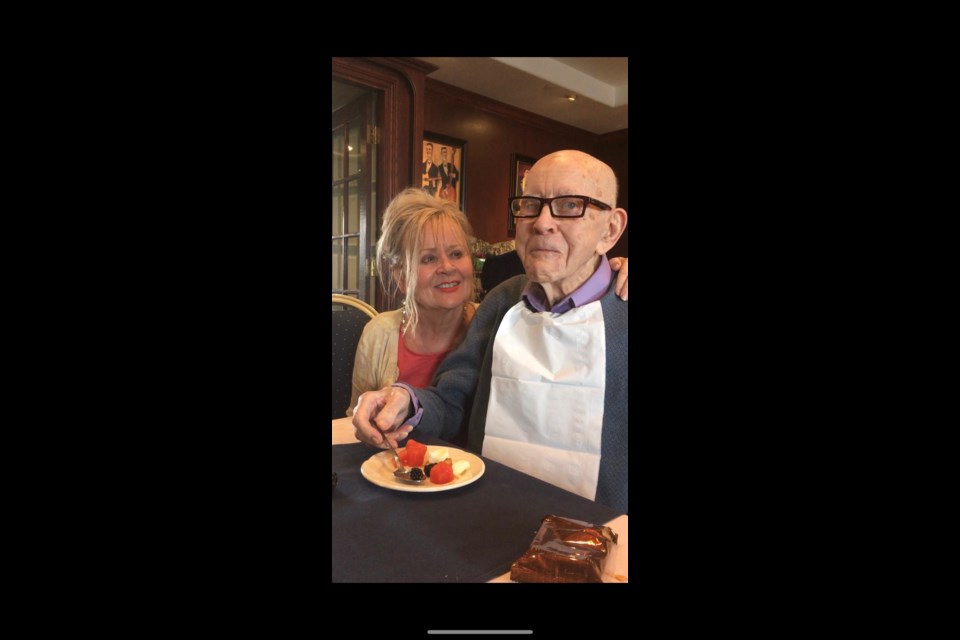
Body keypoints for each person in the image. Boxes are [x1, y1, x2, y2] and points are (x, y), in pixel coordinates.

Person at [352, 150, 629, 513]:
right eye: (530, 205)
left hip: (602, 535)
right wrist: (406, 398)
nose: (542, 222)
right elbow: (452, 401)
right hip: (484, 513)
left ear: (610, 229)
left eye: (569, 205)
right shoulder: (503, 301)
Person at [347, 188, 478, 417]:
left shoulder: (494, 325)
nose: (448, 267)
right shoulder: (378, 334)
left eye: (457, 254)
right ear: (401, 277)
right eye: (429, 258)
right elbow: (355, 421)